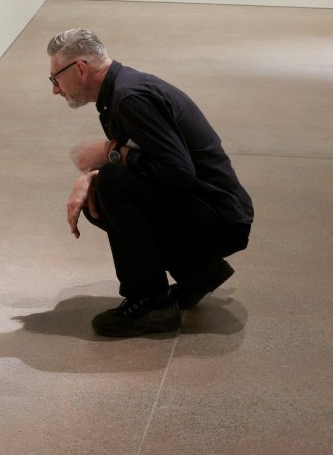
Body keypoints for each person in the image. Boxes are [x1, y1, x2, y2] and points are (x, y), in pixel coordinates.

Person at [47, 28, 254, 338]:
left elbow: (178, 171)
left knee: (112, 184)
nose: (55, 89)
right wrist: (93, 175)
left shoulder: (129, 97)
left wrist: (109, 156)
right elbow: (147, 160)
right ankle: (197, 273)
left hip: (222, 218)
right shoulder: (120, 91)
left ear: (80, 69)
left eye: (55, 78)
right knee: (100, 194)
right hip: (210, 208)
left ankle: (150, 302)